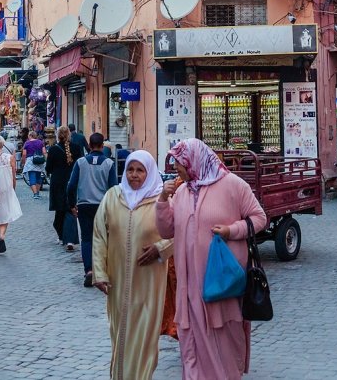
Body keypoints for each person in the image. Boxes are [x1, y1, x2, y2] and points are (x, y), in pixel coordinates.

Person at [156, 139, 266, 380]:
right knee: (191, 344)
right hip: (189, 286)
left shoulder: (233, 185)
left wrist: (231, 231)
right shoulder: (182, 191)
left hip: (222, 283)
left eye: (180, 163)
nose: (176, 168)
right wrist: (163, 200)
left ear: (194, 161)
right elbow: (166, 231)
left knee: (224, 341)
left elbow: (259, 219)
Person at [92, 151, 172, 380]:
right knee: (120, 333)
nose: (134, 175)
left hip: (149, 281)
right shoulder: (112, 196)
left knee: (144, 336)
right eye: (130, 169)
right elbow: (99, 235)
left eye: (140, 170)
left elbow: (180, 232)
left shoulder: (161, 200)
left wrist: (161, 248)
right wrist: (99, 272)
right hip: (117, 282)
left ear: (149, 172)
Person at [68, 133, 120, 287]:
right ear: (102, 146)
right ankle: (102, 270)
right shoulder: (109, 164)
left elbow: (71, 186)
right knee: (104, 238)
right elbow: (113, 188)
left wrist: (72, 204)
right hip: (103, 205)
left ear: (89, 146)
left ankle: (89, 270)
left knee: (86, 238)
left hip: (84, 205)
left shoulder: (80, 162)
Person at [47, 127, 82, 250]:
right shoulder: (77, 148)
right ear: (69, 135)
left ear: (58, 135)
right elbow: (80, 165)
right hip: (71, 181)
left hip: (57, 183)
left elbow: (48, 168)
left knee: (60, 210)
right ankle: (69, 240)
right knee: (70, 208)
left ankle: (63, 237)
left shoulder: (53, 149)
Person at [21, 130, 47, 199]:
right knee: (39, 177)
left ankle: (35, 194)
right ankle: (37, 192)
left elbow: (24, 154)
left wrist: (23, 162)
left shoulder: (27, 143)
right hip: (39, 160)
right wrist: (46, 160)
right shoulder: (40, 142)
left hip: (30, 161)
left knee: (32, 177)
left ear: (30, 136)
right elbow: (44, 152)